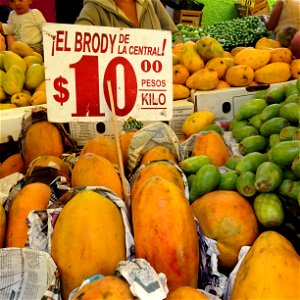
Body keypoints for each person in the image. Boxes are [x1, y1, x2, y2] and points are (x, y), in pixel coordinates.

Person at [75, 0, 179, 39]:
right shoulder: (94, 7)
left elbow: (175, 35)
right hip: (115, 84)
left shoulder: (151, 2)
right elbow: (75, 39)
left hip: (153, 81)